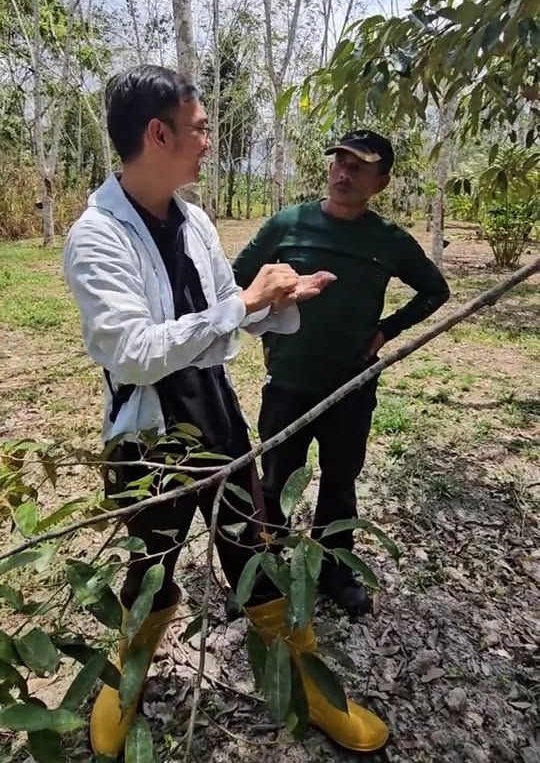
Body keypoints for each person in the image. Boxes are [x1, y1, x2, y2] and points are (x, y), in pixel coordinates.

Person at [64, 69, 388, 757]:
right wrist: (242, 303)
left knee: (257, 548)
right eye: (201, 128)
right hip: (148, 434)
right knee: (150, 560)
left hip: (214, 413)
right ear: (159, 134)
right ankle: (128, 674)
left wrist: (275, 302)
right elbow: (133, 353)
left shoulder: (195, 220)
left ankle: (310, 687)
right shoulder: (96, 237)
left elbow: (220, 320)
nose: (209, 142)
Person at [234, 129, 450, 618]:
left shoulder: (388, 240)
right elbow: (235, 280)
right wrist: (266, 310)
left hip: (351, 385)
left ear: (381, 182)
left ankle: (334, 571)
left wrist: (387, 330)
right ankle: (264, 572)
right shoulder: (289, 225)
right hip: (289, 381)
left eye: (358, 167)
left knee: (340, 482)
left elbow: (435, 291)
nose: (343, 173)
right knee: (274, 481)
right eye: (339, 162)